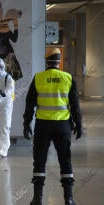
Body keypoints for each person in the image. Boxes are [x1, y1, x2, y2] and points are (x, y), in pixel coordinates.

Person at [23, 48, 82, 205]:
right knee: (65, 160)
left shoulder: (38, 78)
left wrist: (26, 123)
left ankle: (37, 199)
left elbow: (29, 105)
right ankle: (68, 199)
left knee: (40, 160)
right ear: (59, 60)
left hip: (43, 126)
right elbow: (75, 105)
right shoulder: (68, 78)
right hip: (63, 126)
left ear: (46, 61)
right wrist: (79, 124)